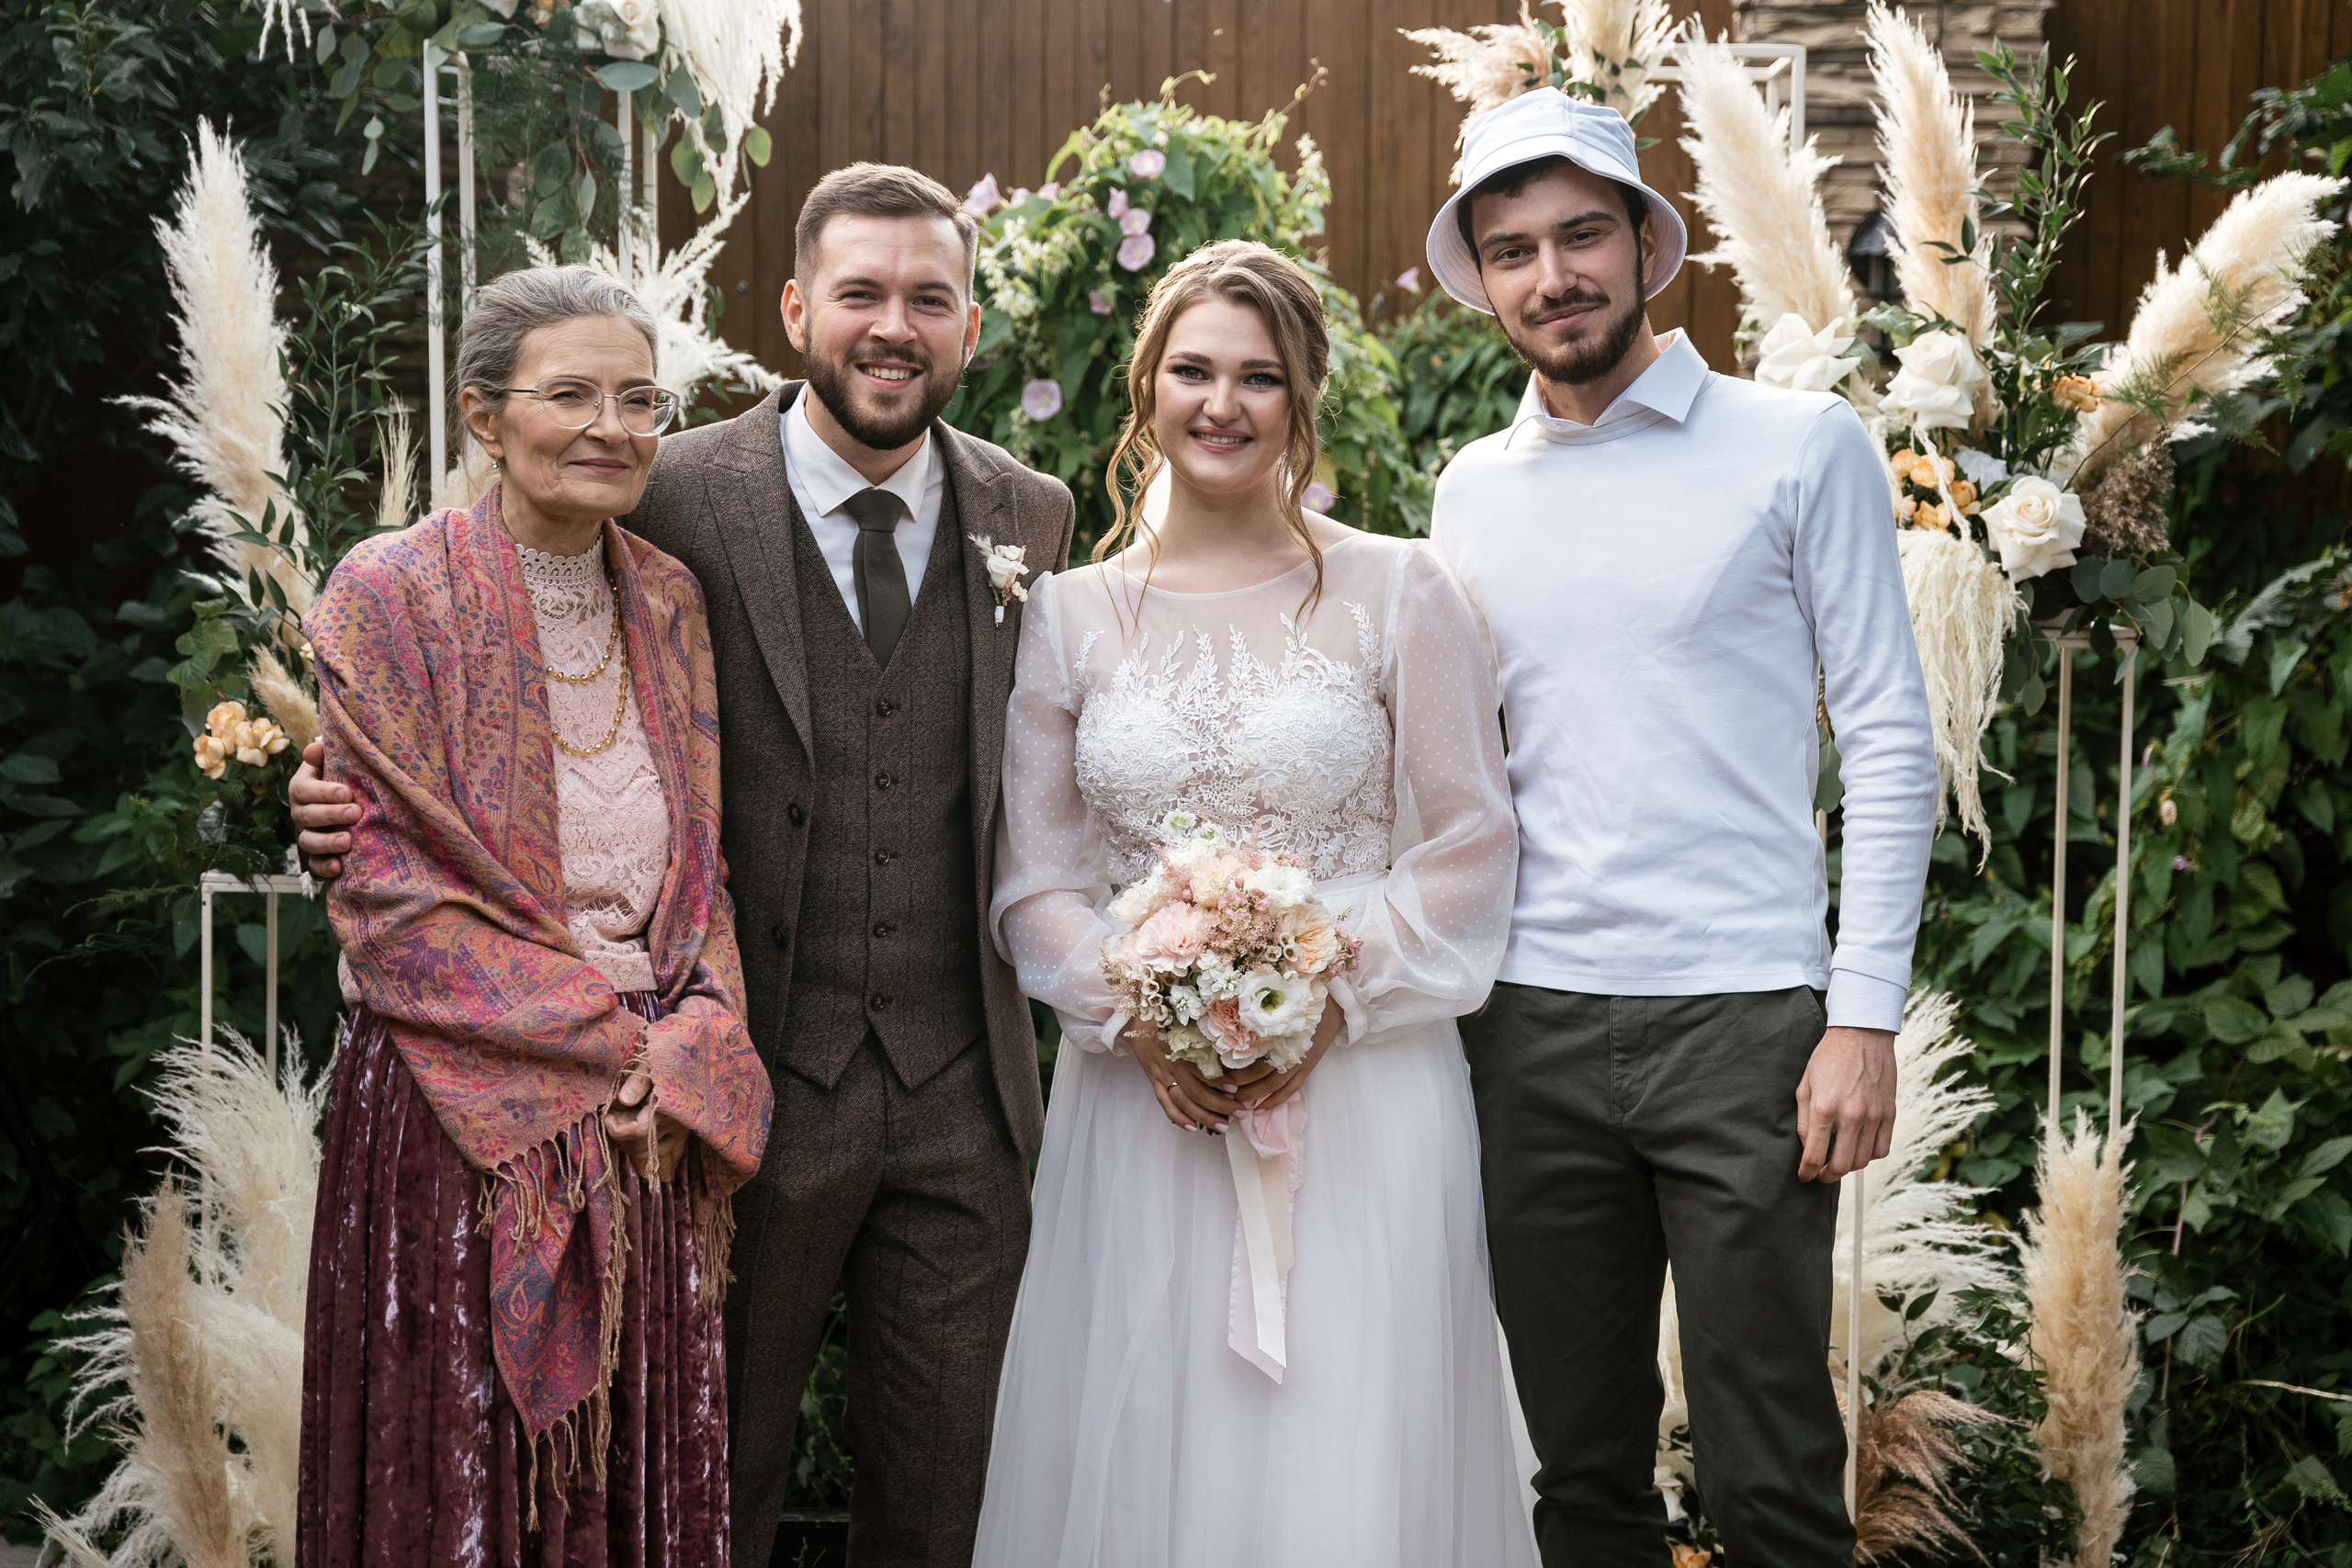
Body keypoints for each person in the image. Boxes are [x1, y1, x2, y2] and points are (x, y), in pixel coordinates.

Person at [293, 164, 1077, 1568]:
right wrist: (311, 810)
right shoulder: (677, 497)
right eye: (860, 294)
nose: (892, 325)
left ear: (970, 323)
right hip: (742, 1091)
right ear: (795, 310)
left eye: (928, 297)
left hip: (960, 1090)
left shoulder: (1033, 515)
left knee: (950, 1488)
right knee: (707, 1480)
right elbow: (457, 754)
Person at [1422, 90, 1940, 1564]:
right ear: (1484, 278)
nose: (1552, 276)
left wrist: (1864, 1016)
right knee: (1577, 1477)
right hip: (1526, 1031)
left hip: (1743, 1025)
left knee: (1771, 1467)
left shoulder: (1797, 444)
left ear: (1648, 243)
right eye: (1513, 250)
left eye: (1582, 234)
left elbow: (1892, 740)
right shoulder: (1472, 492)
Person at [974, 239, 1532, 1567]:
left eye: (1260, 378)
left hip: (1363, 1093)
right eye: (1194, 371)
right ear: (1146, 385)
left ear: (1303, 397)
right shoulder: (1067, 615)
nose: (1222, 404)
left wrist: (1325, 996)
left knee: (1348, 1421)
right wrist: (1143, 1014)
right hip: (1144, 1097)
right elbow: (1037, 881)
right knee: (1148, 1422)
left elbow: (1470, 840)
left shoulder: (1404, 589)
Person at [296, 264, 774, 1566]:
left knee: (624, 1493)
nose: (612, 428)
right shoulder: (389, 593)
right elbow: (389, 891)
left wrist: (695, 1051)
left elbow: (701, 877)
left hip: (646, 1130)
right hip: (468, 1120)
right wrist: (625, 1050)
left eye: (638, 399)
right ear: (484, 417)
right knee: (468, 1492)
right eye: (571, 395)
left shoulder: (671, 600)